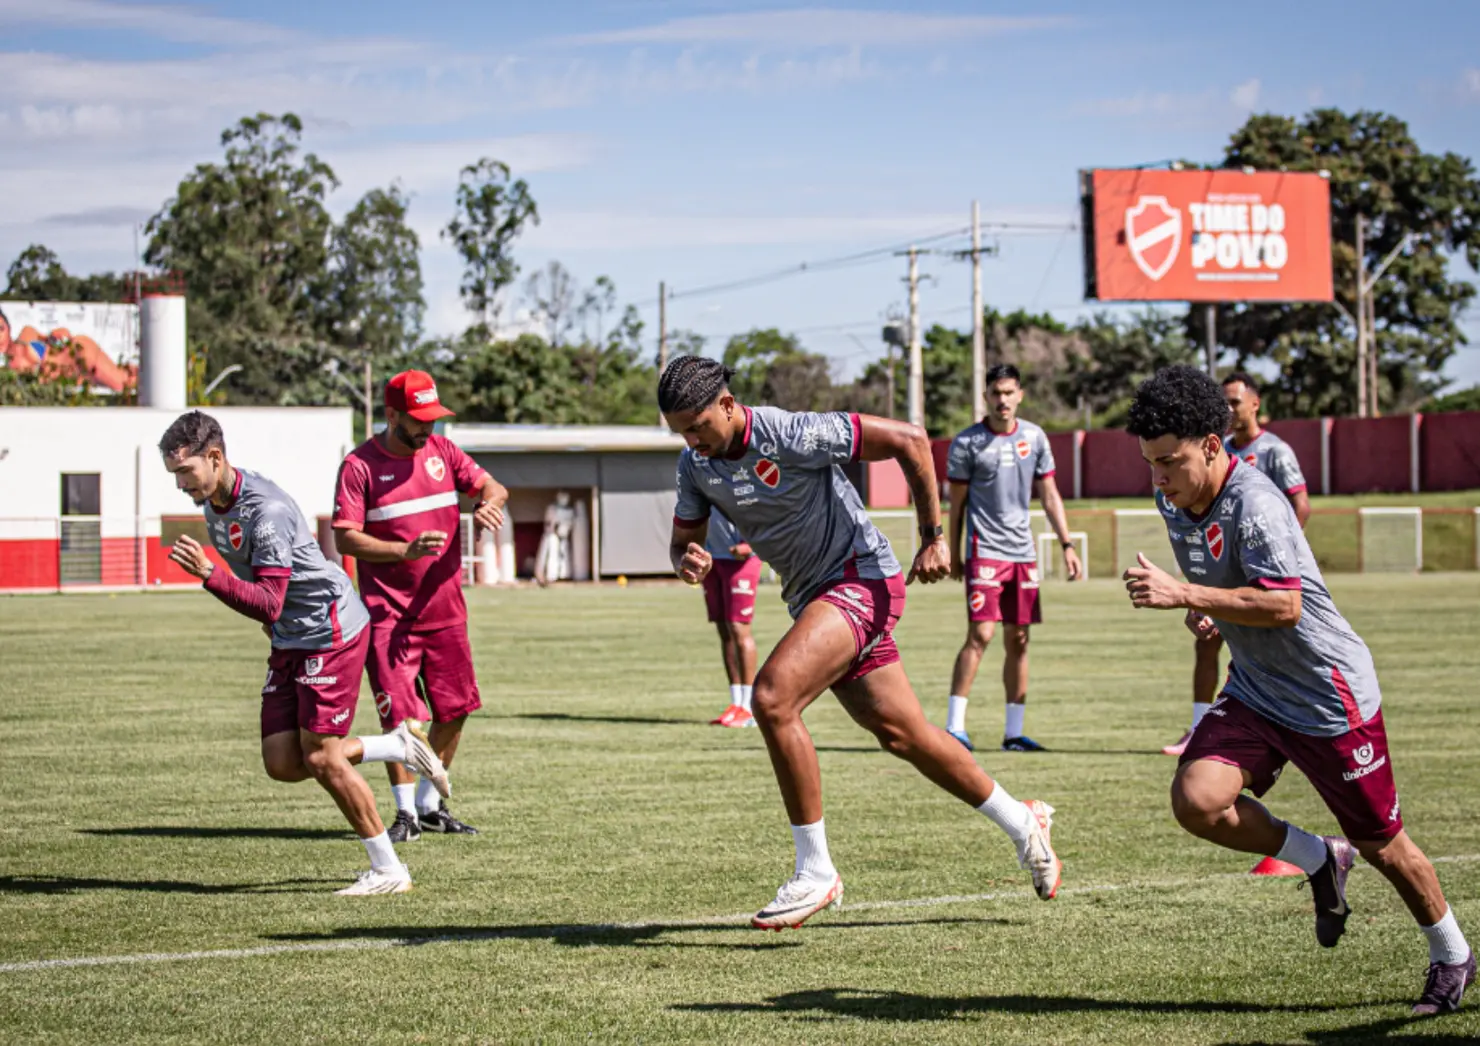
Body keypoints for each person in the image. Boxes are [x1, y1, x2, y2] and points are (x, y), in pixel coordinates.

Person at [660, 356, 1062, 931]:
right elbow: (683, 542)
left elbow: (911, 439)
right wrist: (687, 560)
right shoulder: (693, 466)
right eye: (680, 432)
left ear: (727, 405)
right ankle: (1023, 822)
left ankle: (816, 870)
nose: (692, 440)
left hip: (861, 578)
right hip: (813, 599)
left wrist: (932, 537)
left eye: (698, 425)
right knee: (906, 736)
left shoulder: (790, 432)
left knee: (772, 699)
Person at [1122, 365, 1473, 1017]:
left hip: (1325, 694)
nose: (1160, 479)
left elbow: (1283, 607)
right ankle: (1318, 858)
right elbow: (1227, 582)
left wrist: (1188, 594)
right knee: (1198, 800)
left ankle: (1452, 954)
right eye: (1150, 464)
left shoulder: (1256, 503)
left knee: (1384, 845)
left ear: (1211, 445)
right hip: (1257, 688)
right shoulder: (1173, 499)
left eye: (1169, 462)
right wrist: (1210, 607)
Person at [159, 410, 449, 896]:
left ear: (215, 458)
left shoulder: (265, 511)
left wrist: (211, 576)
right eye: (175, 476)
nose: (181, 485)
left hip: (329, 632)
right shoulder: (215, 504)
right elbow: (269, 602)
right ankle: (396, 746)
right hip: (291, 637)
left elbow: (269, 600)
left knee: (321, 758)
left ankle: (388, 869)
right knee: (281, 761)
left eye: (185, 473)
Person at [334, 370, 506, 843]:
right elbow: (345, 535)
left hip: (446, 609)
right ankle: (405, 815)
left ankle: (431, 805)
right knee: (403, 719)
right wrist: (401, 552)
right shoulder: (359, 467)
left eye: (433, 416)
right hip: (389, 616)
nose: (428, 427)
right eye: (418, 419)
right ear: (391, 415)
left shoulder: (444, 453)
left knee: (456, 709)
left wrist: (488, 503)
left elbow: (493, 486)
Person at [1163, 371, 1313, 757]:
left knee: (1269, 644)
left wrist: (1277, 554)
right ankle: (1198, 726)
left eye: (1235, 402)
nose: (1229, 410)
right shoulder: (1216, 449)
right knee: (1206, 643)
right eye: (1223, 403)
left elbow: (1300, 504)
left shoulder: (1275, 451)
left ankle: (1294, 724)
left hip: (1265, 572)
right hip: (1223, 570)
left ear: (1255, 404)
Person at [943, 363, 1082, 753]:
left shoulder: (1035, 438)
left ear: (1020, 395)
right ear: (986, 397)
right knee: (982, 634)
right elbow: (955, 506)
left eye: (1009, 392)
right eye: (995, 393)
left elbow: (1049, 494)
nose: (1002, 400)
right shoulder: (967, 443)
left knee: (1019, 639)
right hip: (984, 549)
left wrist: (1067, 544)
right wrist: (952, 551)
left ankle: (1014, 734)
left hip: (1023, 553)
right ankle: (955, 727)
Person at [702, 508, 762, 728]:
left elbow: (765, 511)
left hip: (741, 561)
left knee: (738, 628)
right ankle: (737, 703)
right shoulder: (697, 477)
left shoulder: (740, 477)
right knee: (725, 631)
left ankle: (749, 708)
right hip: (712, 559)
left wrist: (751, 544)